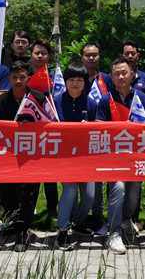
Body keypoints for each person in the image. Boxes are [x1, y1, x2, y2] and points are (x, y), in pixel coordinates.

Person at [96, 58, 145, 254]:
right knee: (118, 188)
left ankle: (126, 220)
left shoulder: (141, 97)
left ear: (132, 75)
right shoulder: (106, 100)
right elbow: (99, 127)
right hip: (113, 156)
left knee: (133, 192)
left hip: (136, 155)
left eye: (124, 73)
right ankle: (114, 232)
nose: (121, 76)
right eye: (116, 74)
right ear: (111, 77)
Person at [0, 60, 48, 251]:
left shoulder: (39, 98)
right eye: (14, 77)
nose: (18, 81)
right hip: (8, 154)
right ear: (9, 79)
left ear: (28, 78)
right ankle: (15, 223)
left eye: (22, 77)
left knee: (28, 193)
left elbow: (48, 124)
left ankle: (22, 232)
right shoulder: (1, 101)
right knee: (8, 193)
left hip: (32, 154)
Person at [53, 63, 97, 250]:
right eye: (71, 79)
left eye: (79, 80)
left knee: (89, 197)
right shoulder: (55, 101)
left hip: (85, 157)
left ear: (85, 83)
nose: (75, 83)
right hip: (63, 157)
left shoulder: (91, 103)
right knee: (70, 190)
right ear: (65, 81)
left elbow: (98, 130)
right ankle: (62, 231)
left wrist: (89, 128)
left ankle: (77, 222)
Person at [79, 42, 111, 234]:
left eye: (95, 55)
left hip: (102, 136)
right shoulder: (76, 76)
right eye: (87, 55)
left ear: (99, 57)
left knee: (99, 177)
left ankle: (98, 216)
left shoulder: (106, 79)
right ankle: (78, 216)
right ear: (81, 57)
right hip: (79, 137)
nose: (91, 58)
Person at [28, 38, 59, 222]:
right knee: (30, 171)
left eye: (44, 53)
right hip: (28, 129)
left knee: (50, 171)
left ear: (49, 57)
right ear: (31, 54)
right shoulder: (23, 74)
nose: (40, 56)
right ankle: (29, 207)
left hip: (49, 128)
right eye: (37, 52)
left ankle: (52, 208)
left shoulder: (55, 77)